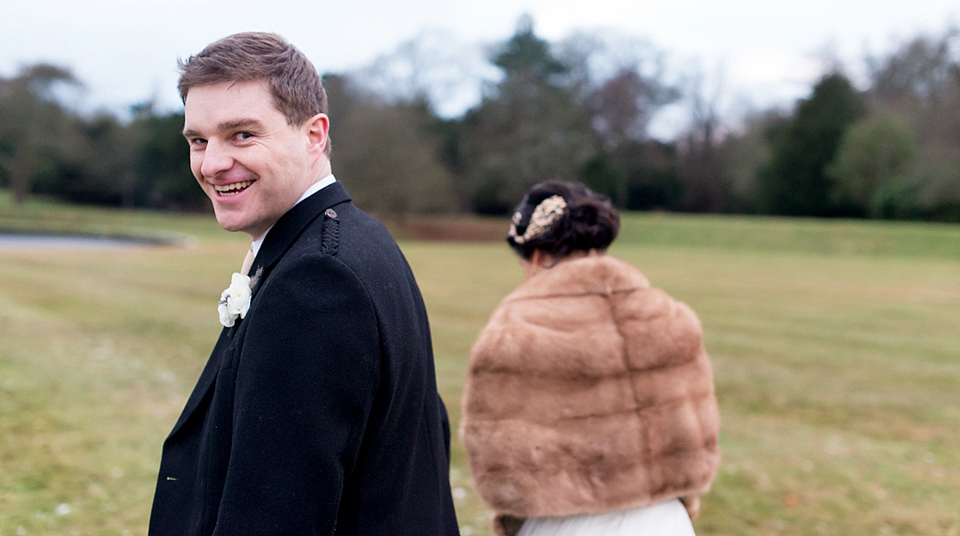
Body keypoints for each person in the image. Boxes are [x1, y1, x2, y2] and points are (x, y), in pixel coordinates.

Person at [149, 32, 460, 536]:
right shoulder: (356, 238)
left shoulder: (318, 282)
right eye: (198, 140)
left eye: (242, 135)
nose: (211, 164)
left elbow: (276, 515)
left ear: (314, 135)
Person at [460, 180, 720, 536]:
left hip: (563, 526)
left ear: (535, 256)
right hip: (664, 521)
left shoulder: (515, 330)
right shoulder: (671, 316)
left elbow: (498, 461)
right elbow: (695, 436)